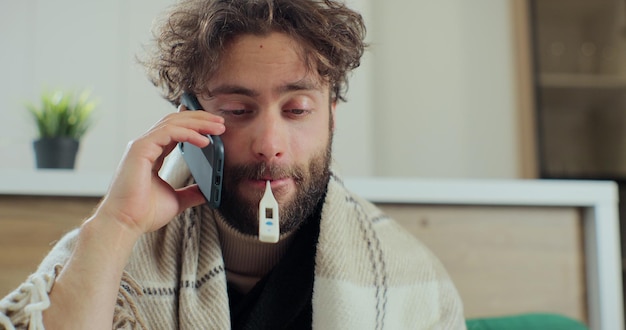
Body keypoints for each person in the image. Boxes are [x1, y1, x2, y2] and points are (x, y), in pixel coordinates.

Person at [0, 0, 466, 329]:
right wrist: (115, 227)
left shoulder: (413, 278)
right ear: (187, 119)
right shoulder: (104, 256)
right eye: (238, 111)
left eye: (298, 109)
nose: (269, 145)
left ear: (331, 116)